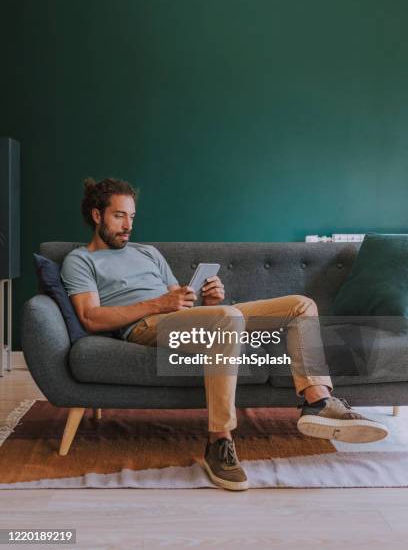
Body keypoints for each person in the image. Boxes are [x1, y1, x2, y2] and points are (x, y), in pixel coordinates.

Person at [61, 177, 389, 492]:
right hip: (146, 326)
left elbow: (181, 299)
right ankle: (220, 441)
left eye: (131, 216)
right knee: (228, 317)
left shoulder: (148, 253)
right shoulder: (81, 260)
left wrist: (210, 300)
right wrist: (160, 303)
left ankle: (317, 401)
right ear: (96, 215)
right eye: (119, 216)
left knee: (301, 306)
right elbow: (91, 318)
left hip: (185, 319)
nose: (128, 225)